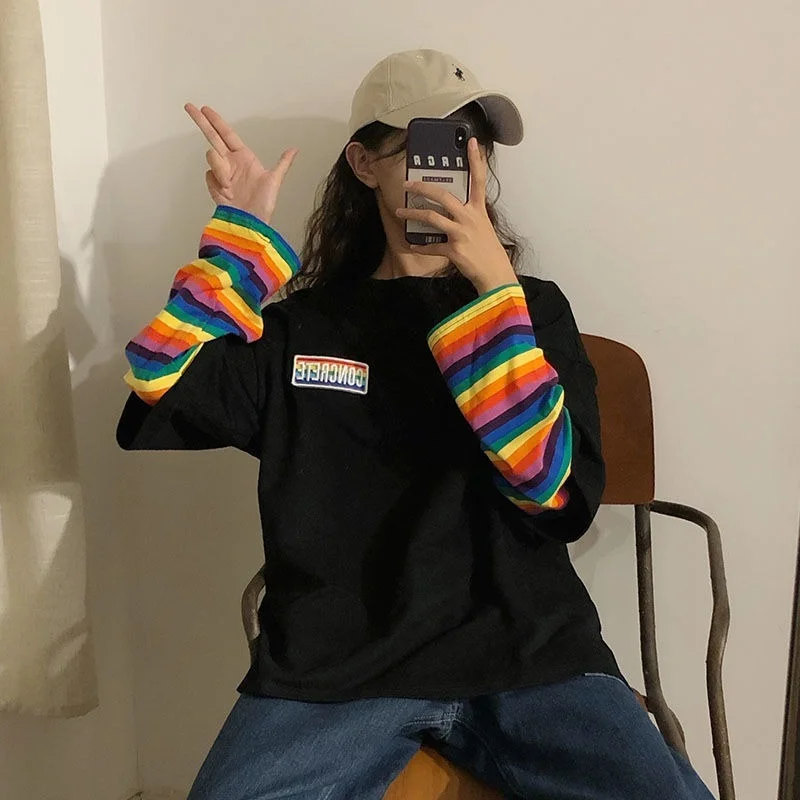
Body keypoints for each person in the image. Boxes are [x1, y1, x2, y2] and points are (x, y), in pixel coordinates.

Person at [116, 49, 715, 800]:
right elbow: (163, 383)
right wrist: (240, 236)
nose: (453, 168)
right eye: (428, 147)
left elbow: (554, 493)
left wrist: (492, 286)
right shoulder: (307, 328)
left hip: (532, 654)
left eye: (472, 148)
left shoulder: (531, 309)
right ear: (364, 164)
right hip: (335, 670)